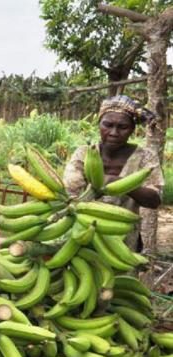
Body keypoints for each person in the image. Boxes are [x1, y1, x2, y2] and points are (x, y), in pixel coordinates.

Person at [63, 95, 164, 251]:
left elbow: (154, 199)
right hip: (81, 232)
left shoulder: (145, 157)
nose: (114, 132)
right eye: (107, 125)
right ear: (99, 124)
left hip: (123, 237)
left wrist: (117, 183)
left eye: (122, 127)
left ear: (132, 129)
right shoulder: (84, 154)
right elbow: (71, 190)